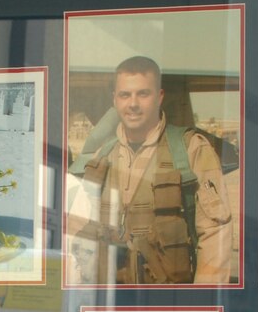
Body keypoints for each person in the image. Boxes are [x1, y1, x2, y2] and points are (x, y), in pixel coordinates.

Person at [66, 56, 233, 285]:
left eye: (143, 94)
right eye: (125, 95)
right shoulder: (101, 159)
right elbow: (78, 239)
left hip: (170, 303)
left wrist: (200, 304)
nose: (133, 103)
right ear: (115, 100)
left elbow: (215, 235)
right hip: (112, 302)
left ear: (159, 97)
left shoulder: (190, 151)